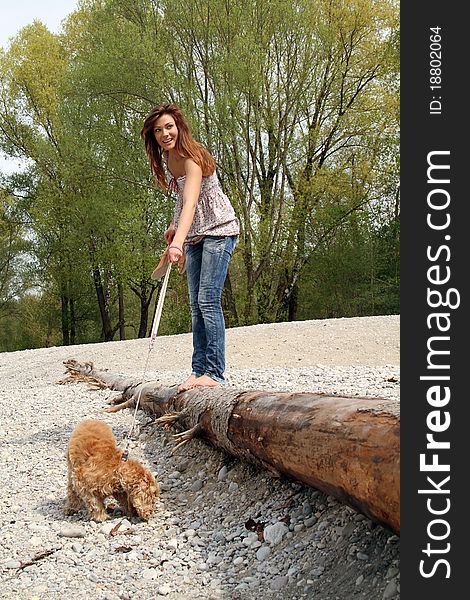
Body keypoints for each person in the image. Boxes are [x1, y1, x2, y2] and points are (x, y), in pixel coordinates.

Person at [141, 103, 239, 392]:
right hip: (195, 234)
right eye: (158, 130)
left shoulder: (192, 157)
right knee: (195, 306)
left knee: (208, 300)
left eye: (169, 127)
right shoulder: (168, 159)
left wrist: (177, 245)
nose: (164, 134)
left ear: (179, 127)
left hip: (219, 231)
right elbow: (181, 200)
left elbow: (193, 202)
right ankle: (198, 371)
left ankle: (215, 372)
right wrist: (174, 228)